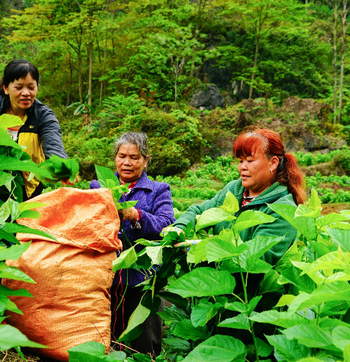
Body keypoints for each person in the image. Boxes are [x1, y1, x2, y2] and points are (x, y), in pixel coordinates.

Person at [90, 132, 175, 357]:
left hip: (142, 277)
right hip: (104, 277)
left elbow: (167, 225)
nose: (127, 162)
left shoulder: (159, 190)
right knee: (103, 339)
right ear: (115, 158)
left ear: (146, 160)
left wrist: (136, 214)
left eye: (135, 157)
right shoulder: (98, 186)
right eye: (122, 156)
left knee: (143, 343)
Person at [170, 128, 306, 265]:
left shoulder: (283, 209)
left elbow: (256, 259)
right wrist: (179, 228)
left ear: (273, 163)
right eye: (241, 161)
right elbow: (199, 212)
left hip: (249, 284)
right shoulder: (233, 190)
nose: (242, 167)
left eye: (250, 161)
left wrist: (207, 248)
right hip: (219, 276)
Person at [0, 59, 68, 200]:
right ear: (6, 88)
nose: (26, 93)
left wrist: (60, 167)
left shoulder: (43, 116)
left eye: (31, 87)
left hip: (27, 190)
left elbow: (54, 144)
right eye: (19, 87)